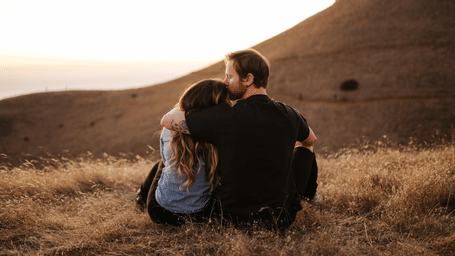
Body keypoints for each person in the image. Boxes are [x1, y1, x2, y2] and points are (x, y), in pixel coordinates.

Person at [161, 49, 318, 230]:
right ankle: (310, 196)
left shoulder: (225, 117)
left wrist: (185, 105)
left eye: (229, 77)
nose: (225, 83)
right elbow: (311, 140)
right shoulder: (290, 114)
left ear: (248, 79)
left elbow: (167, 120)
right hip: (281, 218)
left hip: (231, 219)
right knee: (306, 148)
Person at [137, 79, 229, 226]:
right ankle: (142, 195)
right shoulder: (219, 136)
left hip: (159, 212)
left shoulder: (169, 129)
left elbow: (166, 161)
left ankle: (140, 197)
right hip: (200, 215)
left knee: (162, 164)